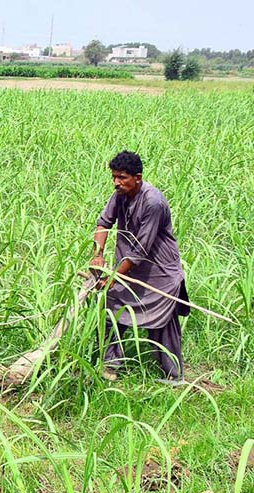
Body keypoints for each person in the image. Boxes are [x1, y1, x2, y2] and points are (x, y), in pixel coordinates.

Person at [90, 150, 189, 384]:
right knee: (111, 310)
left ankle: (173, 376)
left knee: (163, 324)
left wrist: (112, 278)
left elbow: (140, 251)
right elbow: (104, 222)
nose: (116, 182)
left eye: (122, 177)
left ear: (138, 177)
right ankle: (111, 366)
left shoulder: (153, 202)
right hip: (130, 270)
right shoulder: (120, 194)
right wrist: (98, 255)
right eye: (114, 177)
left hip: (159, 273)